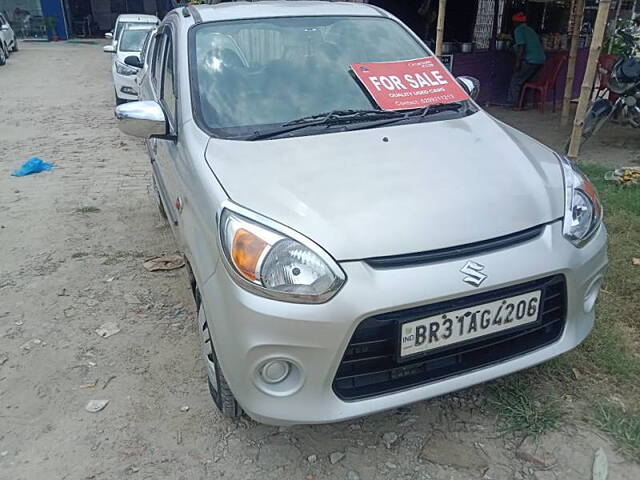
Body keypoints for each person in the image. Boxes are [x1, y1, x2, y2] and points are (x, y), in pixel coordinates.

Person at [506, 12, 546, 108]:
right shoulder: (530, 30)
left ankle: (513, 104)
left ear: (515, 22)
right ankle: (522, 103)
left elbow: (522, 47)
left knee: (516, 80)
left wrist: (518, 62)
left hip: (531, 60)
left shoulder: (519, 30)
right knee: (526, 81)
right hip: (540, 60)